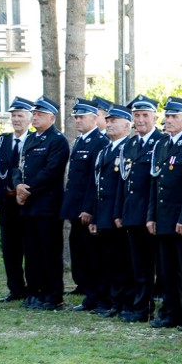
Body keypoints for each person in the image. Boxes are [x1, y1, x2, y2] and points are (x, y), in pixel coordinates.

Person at [146, 97, 182, 329]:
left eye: (173, 116)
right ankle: (173, 312)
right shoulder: (162, 145)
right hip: (163, 218)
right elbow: (155, 183)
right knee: (167, 270)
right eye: (166, 116)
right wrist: (151, 215)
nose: (168, 120)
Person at [13, 96, 70, 310]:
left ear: (52, 117)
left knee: (49, 252)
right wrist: (18, 185)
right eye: (34, 114)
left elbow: (51, 172)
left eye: (40, 114)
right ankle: (34, 292)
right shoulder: (30, 139)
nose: (35, 117)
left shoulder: (57, 140)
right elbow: (17, 166)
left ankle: (52, 296)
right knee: (32, 251)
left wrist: (28, 189)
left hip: (46, 205)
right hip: (27, 206)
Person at [115, 94, 165, 323]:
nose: (141, 120)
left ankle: (156, 306)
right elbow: (123, 182)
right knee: (138, 265)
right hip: (132, 213)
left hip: (151, 214)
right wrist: (118, 212)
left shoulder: (162, 143)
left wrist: (152, 215)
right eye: (137, 115)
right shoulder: (130, 144)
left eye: (145, 115)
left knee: (157, 266)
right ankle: (140, 306)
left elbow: (158, 184)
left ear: (155, 117)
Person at [0, 97, 34, 302]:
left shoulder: (34, 140)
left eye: (20, 116)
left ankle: (32, 288)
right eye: (13, 116)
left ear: (30, 118)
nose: (16, 120)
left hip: (27, 202)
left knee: (29, 247)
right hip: (6, 202)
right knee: (10, 248)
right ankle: (15, 288)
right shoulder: (1, 140)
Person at [62, 98, 109, 312]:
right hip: (75, 207)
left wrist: (89, 208)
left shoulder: (100, 142)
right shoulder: (80, 141)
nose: (77, 121)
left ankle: (99, 297)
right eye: (76, 117)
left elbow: (94, 180)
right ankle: (89, 295)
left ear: (94, 118)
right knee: (80, 255)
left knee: (93, 256)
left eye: (81, 117)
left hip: (87, 209)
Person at [89, 104, 135, 318]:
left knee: (124, 261)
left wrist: (119, 214)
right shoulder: (105, 150)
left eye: (114, 121)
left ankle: (127, 302)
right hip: (104, 214)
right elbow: (97, 186)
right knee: (111, 261)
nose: (108, 124)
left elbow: (124, 187)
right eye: (107, 121)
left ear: (127, 124)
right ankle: (115, 302)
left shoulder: (128, 148)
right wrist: (95, 215)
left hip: (119, 215)